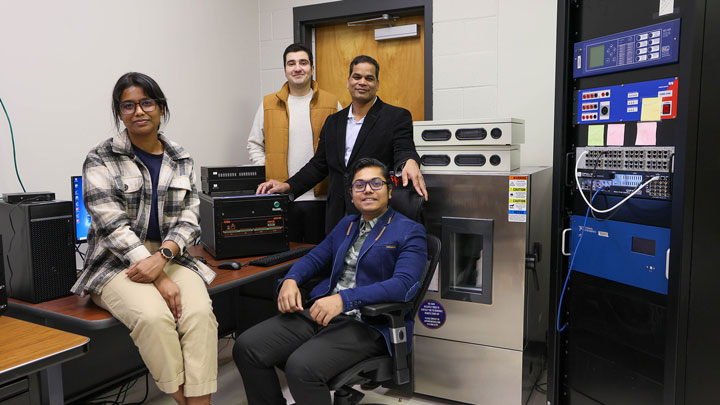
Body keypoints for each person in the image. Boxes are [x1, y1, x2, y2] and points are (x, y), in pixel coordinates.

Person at [71, 72, 218, 405]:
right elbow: (112, 226)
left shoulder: (181, 157)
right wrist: (159, 276)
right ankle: (186, 400)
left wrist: (163, 258)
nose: (139, 111)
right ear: (119, 113)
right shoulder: (100, 158)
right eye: (128, 105)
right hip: (115, 263)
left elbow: (189, 217)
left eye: (146, 103)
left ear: (161, 108)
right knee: (155, 318)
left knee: (199, 316)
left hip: (171, 254)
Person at [234, 157, 428, 405]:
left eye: (376, 183)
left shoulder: (409, 231)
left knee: (301, 367)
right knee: (247, 346)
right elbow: (315, 258)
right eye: (360, 185)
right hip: (321, 312)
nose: (367, 190)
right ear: (352, 194)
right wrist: (291, 279)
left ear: (389, 191)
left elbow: (403, 287)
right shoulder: (347, 225)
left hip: (366, 324)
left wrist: (343, 300)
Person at [256, 55, 428, 235]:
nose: (362, 82)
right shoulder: (333, 122)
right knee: (336, 261)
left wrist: (409, 160)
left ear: (377, 84)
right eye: (357, 77)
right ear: (348, 82)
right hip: (337, 215)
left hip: (375, 215)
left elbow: (404, 147)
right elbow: (318, 165)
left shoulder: (395, 117)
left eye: (369, 78)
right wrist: (288, 186)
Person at [247, 43, 341, 243]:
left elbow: (342, 147)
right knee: (284, 260)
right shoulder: (268, 103)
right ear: (285, 70)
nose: (297, 68)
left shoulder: (332, 103)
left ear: (312, 68)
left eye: (303, 62)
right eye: (291, 63)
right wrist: (267, 170)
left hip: (321, 199)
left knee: (319, 258)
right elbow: (254, 143)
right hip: (280, 198)